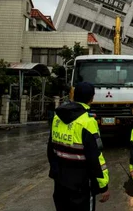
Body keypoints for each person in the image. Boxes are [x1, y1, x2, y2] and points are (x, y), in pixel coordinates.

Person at [47, 82, 110, 211]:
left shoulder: (57, 117)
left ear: (74, 96)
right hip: (81, 185)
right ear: (91, 98)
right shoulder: (87, 122)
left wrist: (55, 172)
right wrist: (103, 186)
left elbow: (50, 150)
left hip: (60, 183)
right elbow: (95, 157)